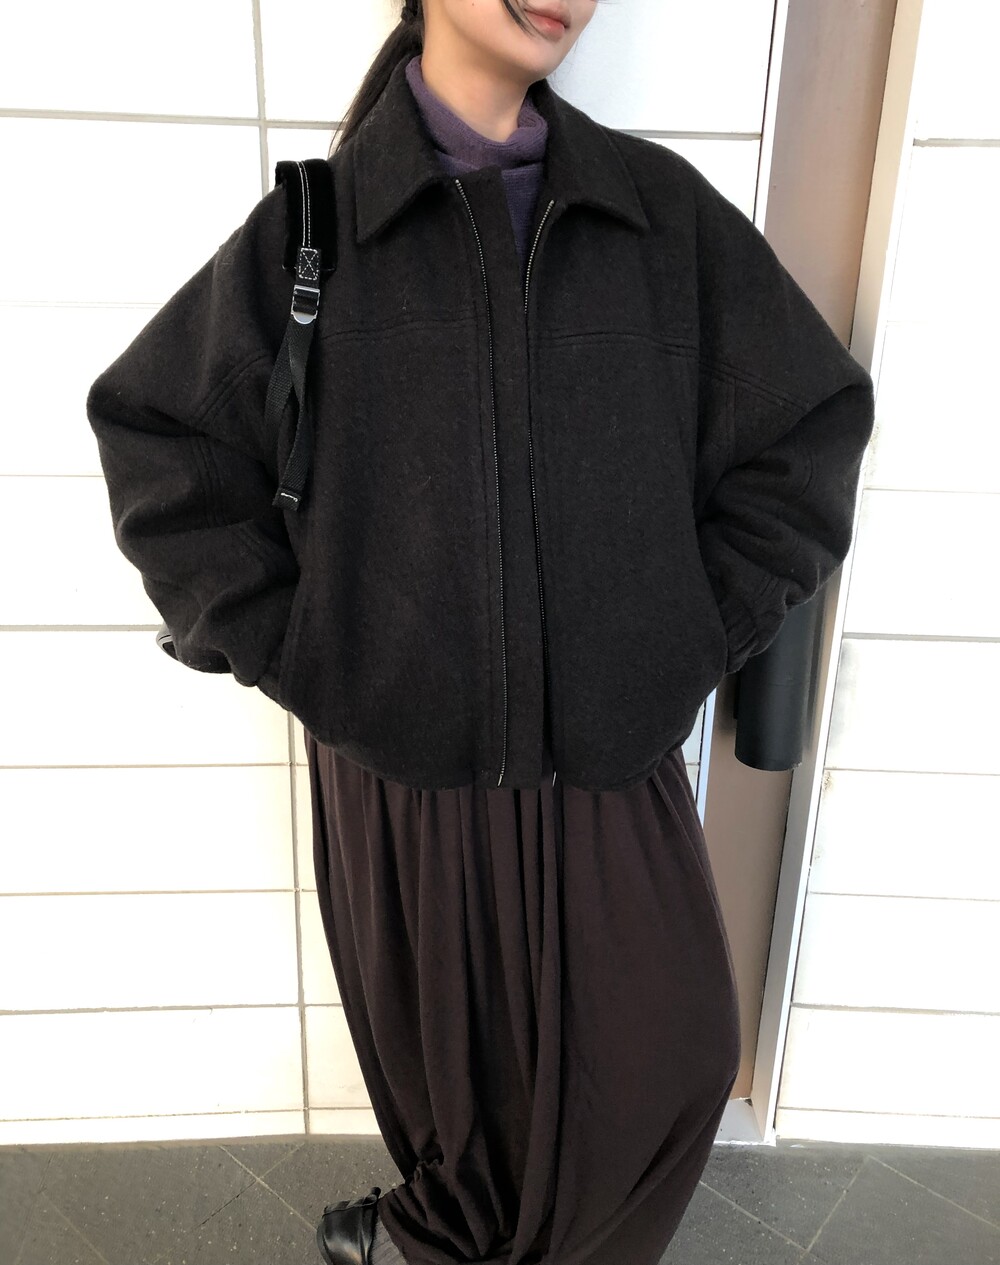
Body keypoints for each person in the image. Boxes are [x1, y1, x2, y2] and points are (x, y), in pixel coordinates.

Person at [86, 2, 875, 1262]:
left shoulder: (654, 213)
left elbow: (808, 421)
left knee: (675, 1058)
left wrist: (687, 627)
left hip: (605, 745)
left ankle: (415, 1243)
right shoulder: (321, 227)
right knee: (474, 1104)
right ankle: (434, 1231)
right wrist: (312, 650)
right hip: (408, 760)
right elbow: (158, 439)